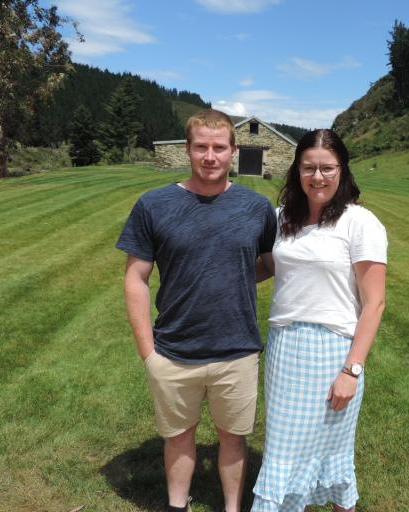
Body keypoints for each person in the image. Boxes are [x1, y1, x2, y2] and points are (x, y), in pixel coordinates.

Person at [116, 109, 276, 512]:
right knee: (179, 436)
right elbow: (136, 278)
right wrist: (147, 352)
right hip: (173, 349)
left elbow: (270, 264)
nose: (210, 156)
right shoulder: (154, 205)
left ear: (233, 151)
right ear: (187, 149)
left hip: (237, 350)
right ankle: (176, 505)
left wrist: (231, 277)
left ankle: (232, 507)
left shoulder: (256, 208)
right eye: (201, 147)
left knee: (233, 437)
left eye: (219, 147)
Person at [252, 129, 387, 511]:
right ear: (297, 170)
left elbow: (374, 303)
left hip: (333, 353)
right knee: (284, 447)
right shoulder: (283, 219)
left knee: (332, 450)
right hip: (284, 347)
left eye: (328, 168)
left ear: (343, 171)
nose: (318, 177)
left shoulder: (359, 222)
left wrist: (352, 370)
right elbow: (266, 268)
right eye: (309, 167)